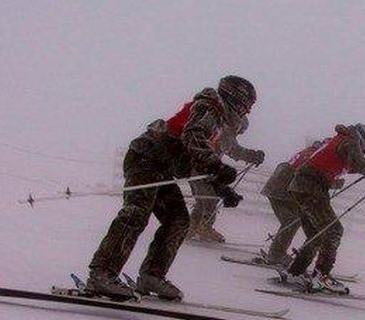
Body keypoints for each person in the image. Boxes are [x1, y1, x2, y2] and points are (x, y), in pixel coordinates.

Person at [85, 75, 257, 300]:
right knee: (137, 212)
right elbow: (192, 136)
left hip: (162, 166)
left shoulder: (218, 120)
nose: (248, 112)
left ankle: (152, 276)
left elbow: (196, 157)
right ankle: (102, 274)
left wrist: (221, 188)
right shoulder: (210, 106)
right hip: (146, 157)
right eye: (248, 106)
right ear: (237, 99)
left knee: (178, 220)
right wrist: (216, 166)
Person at [283, 123, 365, 292]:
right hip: (311, 187)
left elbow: (356, 165)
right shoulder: (350, 142)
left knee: (316, 234)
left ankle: (295, 272)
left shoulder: (342, 141)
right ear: (363, 140)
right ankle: (321, 276)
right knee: (333, 231)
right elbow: (362, 165)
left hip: (300, 186)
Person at [185, 115, 265, 244]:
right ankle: (205, 228)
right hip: (202, 169)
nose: (239, 133)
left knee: (202, 199)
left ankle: (191, 227)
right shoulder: (226, 133)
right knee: (211, 197)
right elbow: (234, 151)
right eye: (240, 130)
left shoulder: (219, 130)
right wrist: (253, 156)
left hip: (197, 167)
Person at [256, 138, 325, 266]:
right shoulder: (313, 156)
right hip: (282, 189)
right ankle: (276, 254)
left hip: (280, 187)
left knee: (293, 220)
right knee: (292, 220)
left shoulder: (310, 152)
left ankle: (277, 252)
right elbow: (309, 176)